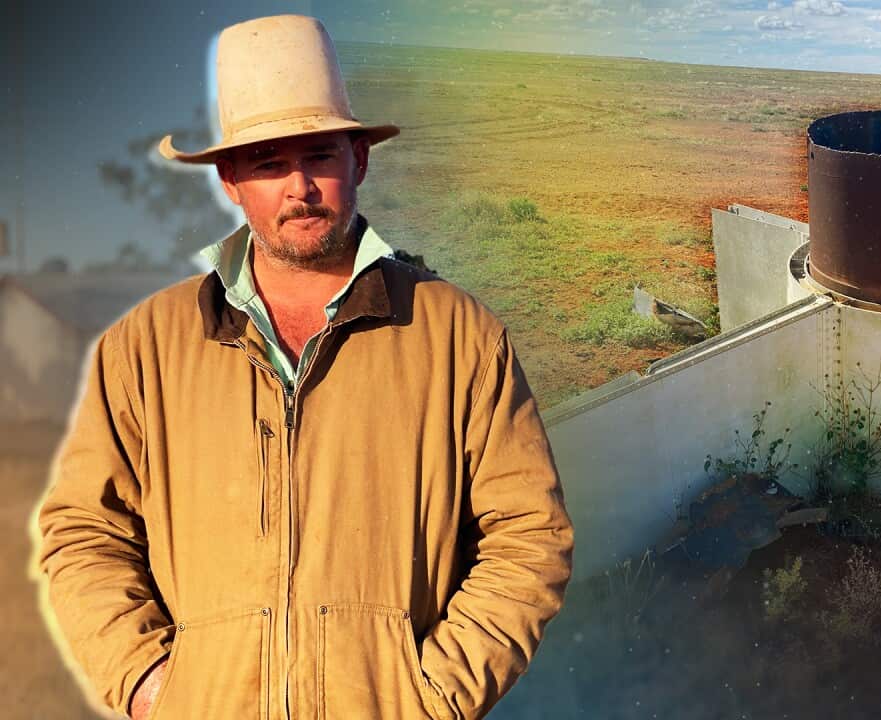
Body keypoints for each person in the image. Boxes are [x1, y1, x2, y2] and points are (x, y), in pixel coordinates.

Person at [33, 15, 572, 720]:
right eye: (267, 163)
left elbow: (528, 537)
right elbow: (82, 533)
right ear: (230, 179)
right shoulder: (143, 348)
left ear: (359, 161)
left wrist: (433, 697)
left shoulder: (458, 336)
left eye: (319, 155)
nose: (300, 187)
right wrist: (146, 684)